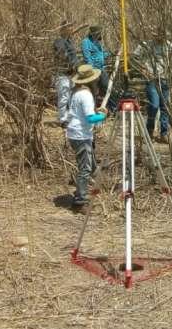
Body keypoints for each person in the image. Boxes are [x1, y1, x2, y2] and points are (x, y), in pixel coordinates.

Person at [66, 64, 108, 206]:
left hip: (76, 133)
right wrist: (102, 116)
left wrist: (97, 112)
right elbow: (90, 118)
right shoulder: (86, 95)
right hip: (81, 135)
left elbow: (82, 113)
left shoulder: (76, 92)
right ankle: (80, 200)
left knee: (92, 165)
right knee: (85, 168)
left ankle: (97, 186)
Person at [133, 29, 172, 144]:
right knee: (154, 105)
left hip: (164, 79)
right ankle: (149, 131)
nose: (160, 38)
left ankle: (163, 134)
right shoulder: (146, 45)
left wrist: (170, 70)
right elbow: (134, 57)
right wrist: (143, 69)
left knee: (164, 107)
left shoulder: (169, 46)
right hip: (151, 79)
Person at [53, 21, 79, 127]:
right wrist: (71, 64)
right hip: (61, 72)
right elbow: (62, 55)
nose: (71, 29)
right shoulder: (59, 41)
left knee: (71, 96)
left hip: (71, 73)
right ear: (64, 29)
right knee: (63, 96)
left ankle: (70, 118)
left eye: (72, 27)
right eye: (69, 28)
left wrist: (76, 67)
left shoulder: (70, 41)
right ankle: (63, 119)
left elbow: (73, 56)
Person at [81, 25, 113, 107]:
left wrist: (110, 54)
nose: (100, 34)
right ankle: (92, 108)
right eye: (98, 33)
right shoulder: (86, 42)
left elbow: (101, 54)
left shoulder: (97, 42)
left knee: (107, 87)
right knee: (94, 91)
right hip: (94, 70)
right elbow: (87, 57)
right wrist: (92, 70)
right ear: (93, 33)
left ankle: (111, 107)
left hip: (101, 69)